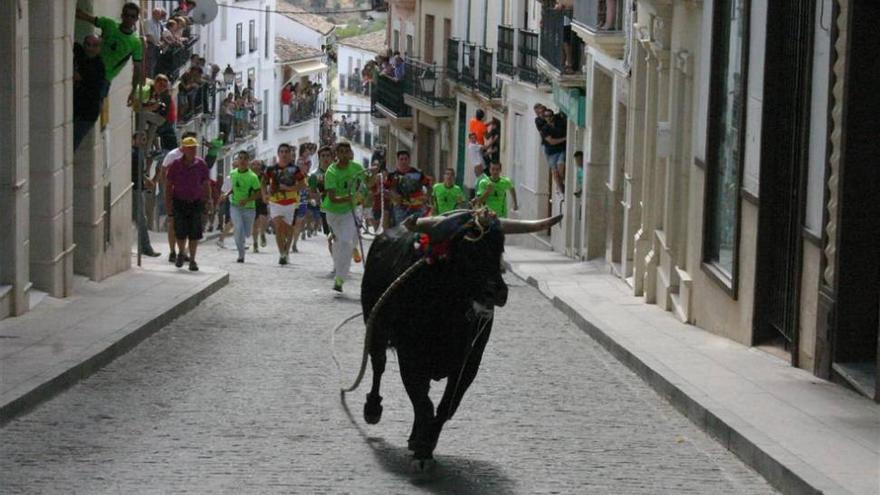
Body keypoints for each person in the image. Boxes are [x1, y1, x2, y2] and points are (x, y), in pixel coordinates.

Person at [75, 3, 144, 102]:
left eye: (132, 16)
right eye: (126, 15)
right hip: (87, 69)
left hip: (104, 79)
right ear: (122, 16)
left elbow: (137, 69)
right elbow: (85, 17)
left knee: (91, 110)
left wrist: (133, 91)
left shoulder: (135, 43)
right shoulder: (109, 24)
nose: (129, 18)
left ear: (136, 19)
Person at [164, 137, 213, 271]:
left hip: (196, 202)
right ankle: (180, 252)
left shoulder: (201, 165)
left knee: (194, 233)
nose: (192, 150)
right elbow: (168, 185)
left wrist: (208, 200)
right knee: (180, 231)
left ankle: (192, 260)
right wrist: (168, 204)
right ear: (184, 149)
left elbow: (206, 183)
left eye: (194, 148)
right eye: (190, 148)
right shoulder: (175, 165)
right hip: (179, 202)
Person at [322, 142, 364, 292]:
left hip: (349, 211)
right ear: (336, 155)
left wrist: (373, 174)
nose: (345, 154)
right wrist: (351, 197)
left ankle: (339, 279)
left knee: (345, 242)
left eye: (347, 151)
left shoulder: (357, 168)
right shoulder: (331, 172)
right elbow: (333, 198)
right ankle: (348, 250)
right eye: (341, 152)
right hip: (333, 213)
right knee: (340, 243)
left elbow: (368, 182)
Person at [263, 143, 306, 265]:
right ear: (278, 154)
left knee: (288, 230)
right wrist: (264, 194)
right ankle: (282, 254)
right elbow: (263, 182)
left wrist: (289, 188)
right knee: (278, 227)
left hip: (291, 203)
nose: (284, 154)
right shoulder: (271, 169)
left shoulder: (295, 169)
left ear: (290, 154)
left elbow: (303, 185)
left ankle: (287, 251)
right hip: (275, 202)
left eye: (286, 152)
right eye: (281, 151)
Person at [160, 131, 199, 263]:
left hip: (190, 196)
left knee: (186, 226)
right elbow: (163, 171)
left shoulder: (195, 157)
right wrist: (166, 192)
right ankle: (173, 251)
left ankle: (182, 252)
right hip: (174, 194)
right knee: (173, 224)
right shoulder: (172, 155)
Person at [227, 151, 263, 263]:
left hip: (249, 209)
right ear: (237, 160)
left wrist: (247, 200)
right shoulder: (233, 173)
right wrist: (225, 194)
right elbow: (232, 188)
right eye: (240, 158)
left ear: (248, 162)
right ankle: (241, 255)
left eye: (244, 159)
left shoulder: (253, 177)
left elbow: (258, 193)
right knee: (238, 227)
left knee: (247, 233)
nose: (242, 161)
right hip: (235, 206)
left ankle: (243, 240)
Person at [73, 35, 105, 151]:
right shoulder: (81, 55)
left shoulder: (98, 66)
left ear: (99, 48)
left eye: (95, 45)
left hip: (86, 115)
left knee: (71, 145)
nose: (90, 48)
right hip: (75, 110)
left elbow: (81, 77)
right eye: (88, 44)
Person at [131, 132, 161, 257]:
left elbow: (140, 171)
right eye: (141, 139)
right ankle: (146, 248)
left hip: (139, 188)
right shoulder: (133, 153)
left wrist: (146, 179)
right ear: (134, 140)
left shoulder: (139, 153)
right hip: (135, 189)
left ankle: (144, 246)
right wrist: (146, 179)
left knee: (140, 219)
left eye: (144, 139)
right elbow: (134, 171)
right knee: (141, 220)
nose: (143, 141)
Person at [384, 150, 432, 227]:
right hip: (400, 208)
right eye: (401, 159)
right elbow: (384, 189)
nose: (404, 161)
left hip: (417, 208)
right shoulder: (392, 175)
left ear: (409, 160)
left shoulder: (418, 173)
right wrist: (392, 195)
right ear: (398, 160)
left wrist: (426, 197)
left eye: (406, 159)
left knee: (418, 230)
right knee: (401, 230)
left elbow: (428, 185)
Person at [250, 159, 270, 253]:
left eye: (258, 164)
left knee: (264, 219)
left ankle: (262, 234)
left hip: (262, 200)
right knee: (255, 224)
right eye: (254, 164)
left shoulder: (264, 175)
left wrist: (267, 196)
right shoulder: (249, 175)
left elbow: (268, 186)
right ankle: (255, 243)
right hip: (253, 201)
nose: (256, 166)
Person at [465, 132, 484, 199]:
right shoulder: (473, 146)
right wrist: (494, 140)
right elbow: (484, 148)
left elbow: (481, 154)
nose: (474, 139)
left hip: (479, 166)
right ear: (469, 139)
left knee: (480, 182)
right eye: (472, 138)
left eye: (475, 138)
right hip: (477, 166)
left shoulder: (475, 145)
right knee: (479, 183)